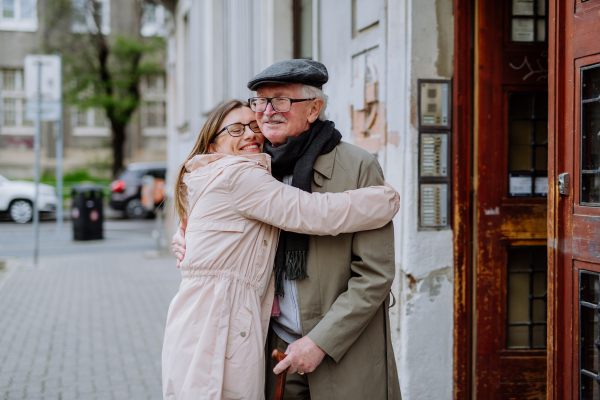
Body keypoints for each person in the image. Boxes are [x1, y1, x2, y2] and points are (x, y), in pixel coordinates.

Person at [173, 59, 402, 400]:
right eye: (260, 101)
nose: (266, 112)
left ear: (314, 109)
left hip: (342, 349)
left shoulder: (357, 166)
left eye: (280, 100)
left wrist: (319, 342)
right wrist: (186, 233)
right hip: (272, 344)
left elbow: (375, 275)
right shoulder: (253, 161)